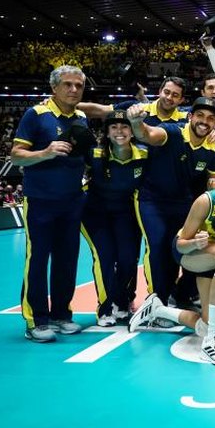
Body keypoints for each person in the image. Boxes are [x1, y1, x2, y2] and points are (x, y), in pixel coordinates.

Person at [128, 160, 215, 366]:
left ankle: (158, 310)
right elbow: (181, 244)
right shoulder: (207, 201)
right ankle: (211, 342)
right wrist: (195, 242)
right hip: (192, 255)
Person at [11, 65, 90, 342]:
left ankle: (61, 315)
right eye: (67, 84)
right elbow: (16, 156)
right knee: (38, 259)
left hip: (72, 201)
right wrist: (45, 152)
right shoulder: (36, 115)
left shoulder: (81, 117)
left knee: (67, 260)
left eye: (78, 85)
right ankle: (36, 321)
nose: (73, 90)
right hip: (41, 200)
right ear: (54, 87)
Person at [127, 97, 215, 307]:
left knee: (184, 249)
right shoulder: (171, 132)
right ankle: (156, 302)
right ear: (190, 117)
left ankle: (177, 295)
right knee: (159, 246)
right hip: (153, 201)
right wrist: (136, 122)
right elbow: (148, 134)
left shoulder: (214, 145)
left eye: (210, 118)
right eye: (200, 115)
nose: (204, 121)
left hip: (184, 204)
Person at [81, 110, 148, 326]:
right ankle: (105, 307)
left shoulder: (144, 155)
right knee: (105, 258)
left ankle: (123, 301)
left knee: (128, 259)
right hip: (95, 214)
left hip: (127, 214)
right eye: (114, 127)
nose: (120, 131)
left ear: (132, 131)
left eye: (124, 126)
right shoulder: (94, 154)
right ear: (107, 133)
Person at [78, 77, 187, 126]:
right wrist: (64, 105)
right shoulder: (134, 108)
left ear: (181, 100)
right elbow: (101, 111)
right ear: (160, 91)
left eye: (175, 95)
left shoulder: (186, 117)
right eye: (166, 92)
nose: (169, 97)